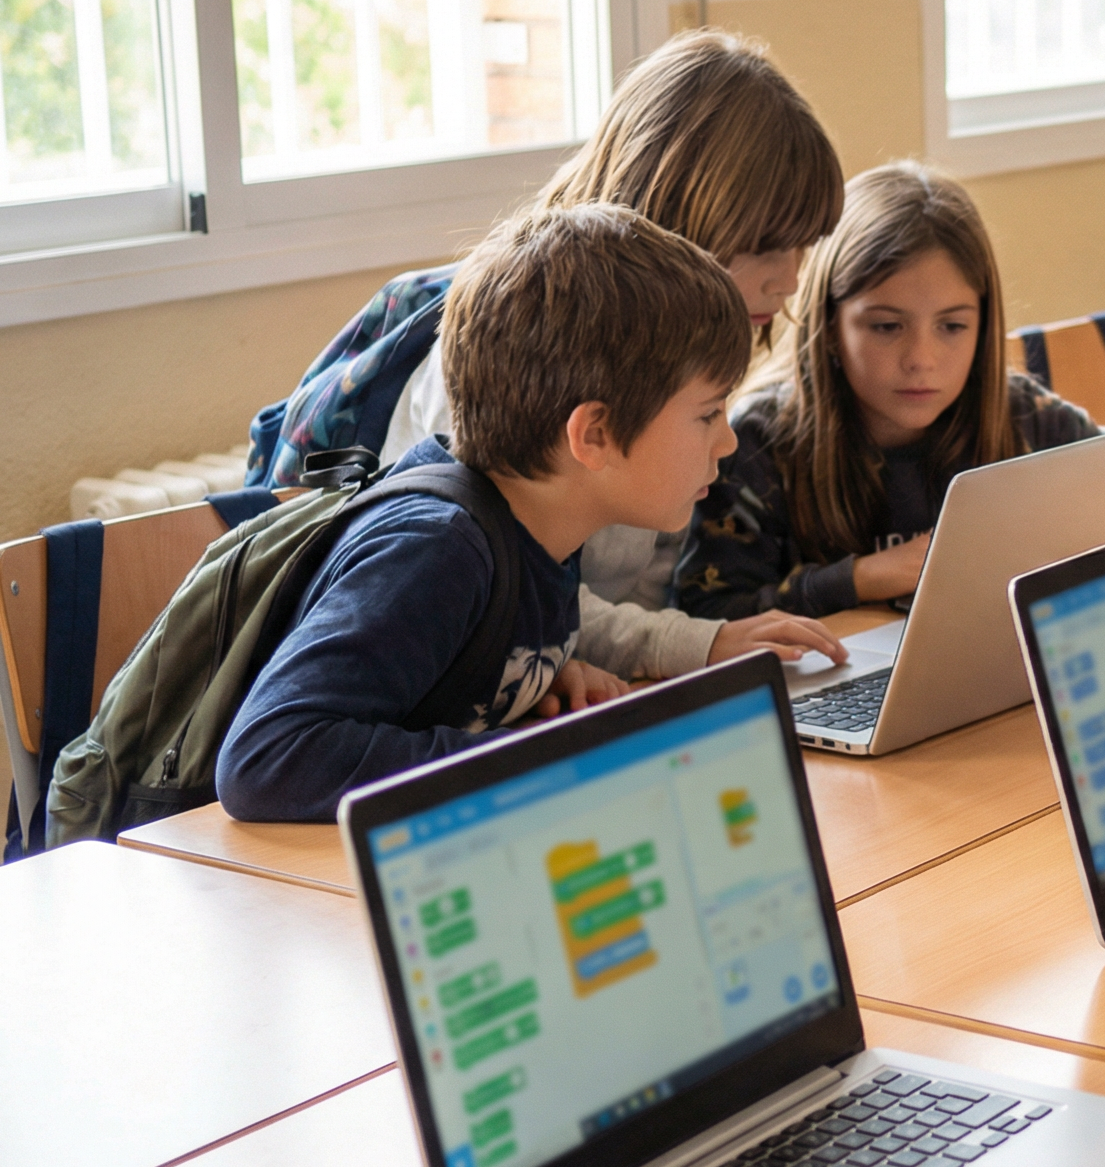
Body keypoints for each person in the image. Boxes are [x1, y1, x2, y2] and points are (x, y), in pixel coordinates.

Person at [250, 28, 849, 680]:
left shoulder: (675, 346)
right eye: (765, 246)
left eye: (802, 247)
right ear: (675, 210)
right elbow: (496, 596)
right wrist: (686, 645)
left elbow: (636, 587)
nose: (789, 280)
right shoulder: (503, 352)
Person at [218, 206, 750, 822]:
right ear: (595, 435)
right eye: (709, 414)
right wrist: (531, 758)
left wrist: (527, 682)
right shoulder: (436, 550)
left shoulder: (545, 526)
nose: (728, 441)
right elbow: (264, 760)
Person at [676, 160, 1105, 619]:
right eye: (887, 326)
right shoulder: (755, 441)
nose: (922, 360)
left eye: (952, 326)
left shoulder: (1021, 414)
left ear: (983, 326)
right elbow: (710, 614)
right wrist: (859, 579)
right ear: (831, 325)